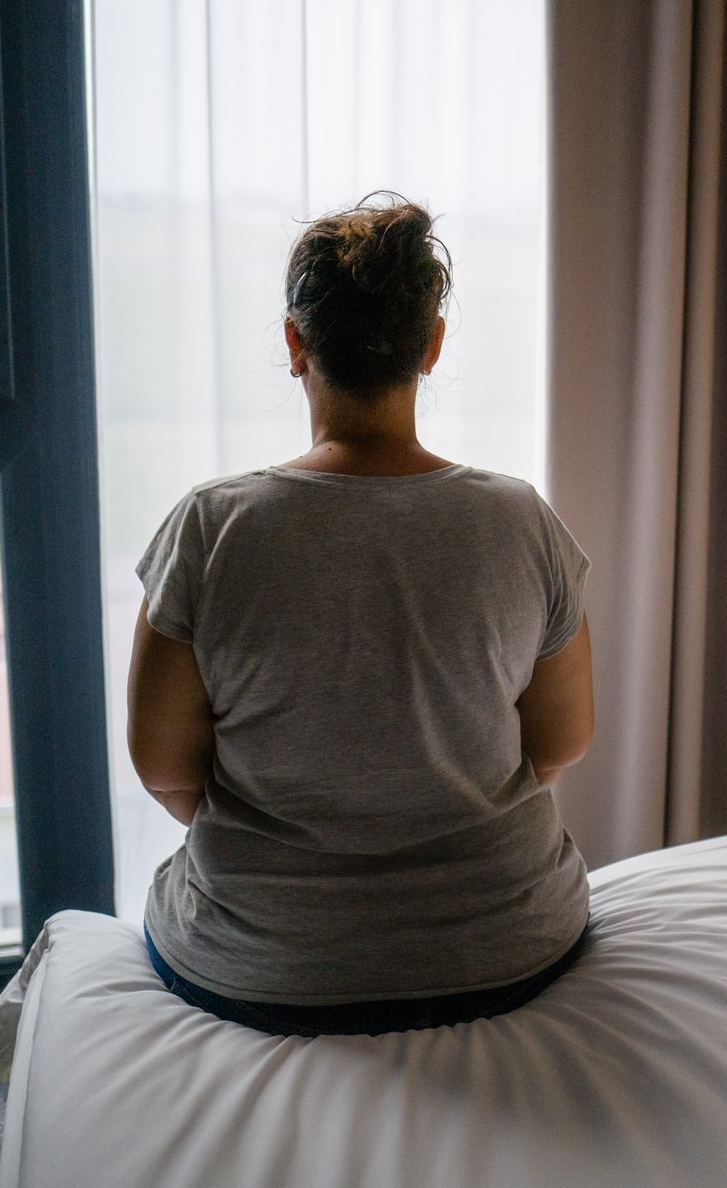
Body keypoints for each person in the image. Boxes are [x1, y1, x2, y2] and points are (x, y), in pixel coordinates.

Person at [126, 193, 594, 1037]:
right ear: (432, 344)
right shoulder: (521, 520)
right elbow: (559, 746)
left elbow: (163, 769)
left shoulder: (211, 525)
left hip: (264, 963)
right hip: (507, 947)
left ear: (295, 343)